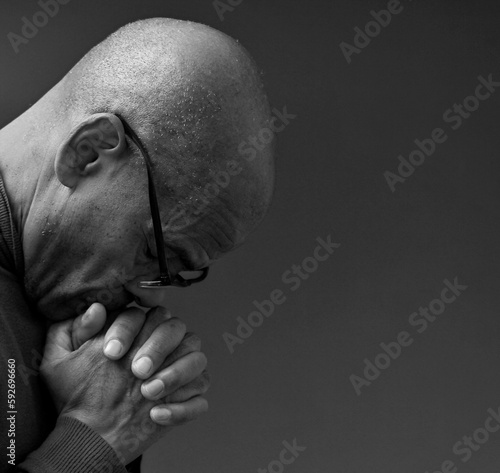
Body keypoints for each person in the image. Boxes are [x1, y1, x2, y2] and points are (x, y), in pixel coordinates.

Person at [0, 17, 275, 473]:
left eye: (176, 274)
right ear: (87, 153)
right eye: (155, 252)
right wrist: (94, 440)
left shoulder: (61, 316)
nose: (150, 296)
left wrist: (104, 416)